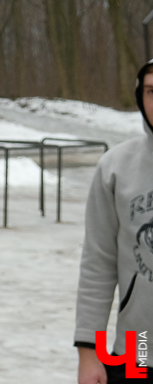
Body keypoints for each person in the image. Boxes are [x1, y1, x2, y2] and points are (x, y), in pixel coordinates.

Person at [74, 58, 153, 384]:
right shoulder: (116, 167)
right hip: (140, 347)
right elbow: (98, 264)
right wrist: (88, 351)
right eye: (151, 91)